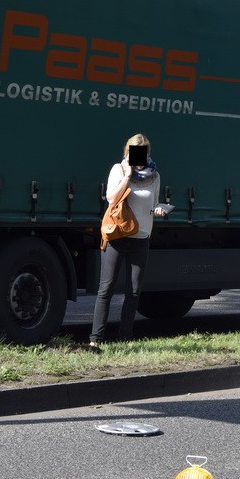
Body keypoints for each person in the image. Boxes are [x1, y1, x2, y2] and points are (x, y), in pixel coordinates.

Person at [89, 134, 166, 348]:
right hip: (118, 235)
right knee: (106, 288)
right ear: (127, 152)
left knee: (133, 291)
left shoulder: (155, 176)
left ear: (148, 153)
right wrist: (127, 176)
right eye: (135, 152)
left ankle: (125, 339)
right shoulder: (119, 169)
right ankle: (96, 340)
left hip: (141, 237)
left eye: (144, 152)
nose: (140, 157)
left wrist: (159, 209)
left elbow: (155, 202)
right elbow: (111, 199)